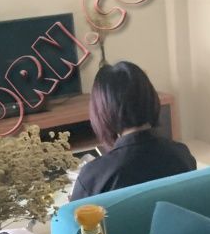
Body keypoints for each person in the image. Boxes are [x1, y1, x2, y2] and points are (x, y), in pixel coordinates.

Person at [70, 61, 196, 201]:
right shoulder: (182, 155)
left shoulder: (93, 176)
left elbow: (71, 214)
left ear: (101, 111)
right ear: (151, 98)